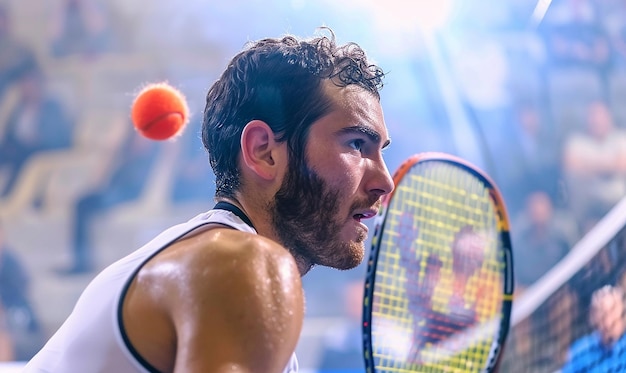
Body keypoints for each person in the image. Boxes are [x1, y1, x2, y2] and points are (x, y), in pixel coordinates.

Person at [24, 28, 394, 372]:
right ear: (264, 151)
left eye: (381, 151)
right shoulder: (241, 266)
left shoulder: (207, 260)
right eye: (356, 145)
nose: (385, 181)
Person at [561, 285, 626, 372]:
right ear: (593, 317)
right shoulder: (581, 351)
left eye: (612, 312)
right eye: (602, 314)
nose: (608, 322)